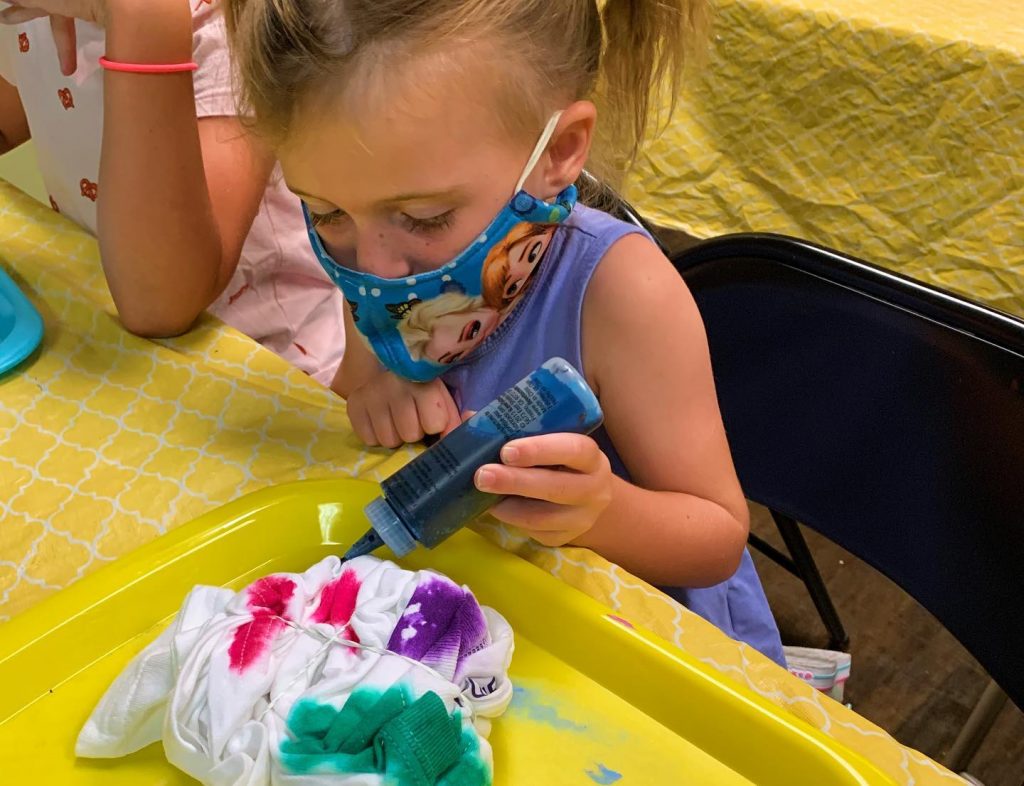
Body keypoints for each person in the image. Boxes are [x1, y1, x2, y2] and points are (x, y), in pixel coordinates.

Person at [224, 0, 785, 664]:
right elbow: (360, 388)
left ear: (559, 151)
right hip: (474, 625)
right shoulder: (373, 263)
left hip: (641, 647)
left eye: (425, 217)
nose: (373, 266)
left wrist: (599, 509)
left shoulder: (621, 294)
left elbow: (717, 538)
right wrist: (376, 390)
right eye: (324, 211)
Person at [0, 0, 344, 384]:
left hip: (270, 377)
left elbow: (160, 305)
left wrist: (135, 15)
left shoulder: (220, 20)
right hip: (115, 347)